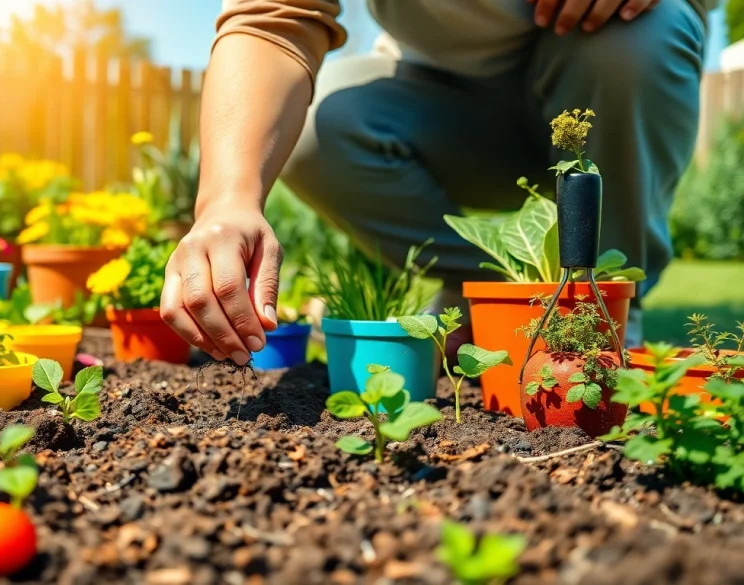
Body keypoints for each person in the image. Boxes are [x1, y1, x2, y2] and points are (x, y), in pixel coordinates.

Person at [160, 0, 711, 366]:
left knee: (642, 33)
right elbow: (273, 20)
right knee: (319, 127)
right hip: (439, 109)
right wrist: (226, 200)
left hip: (603, 75)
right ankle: (487, 295)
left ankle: (604, 310)